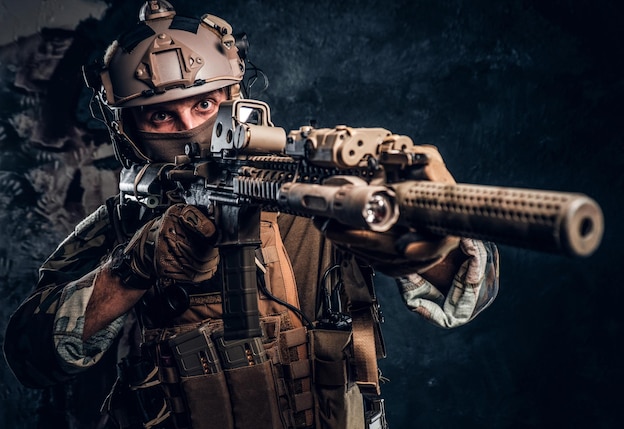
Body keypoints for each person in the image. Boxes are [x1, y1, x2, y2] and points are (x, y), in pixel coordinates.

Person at [3, 1, 499, 428]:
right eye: (161, 116)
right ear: (127, 130)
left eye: (205, 104)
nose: (191, 129)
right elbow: (31, 357)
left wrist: (424, 249)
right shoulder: (123, 225)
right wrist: (134, 266)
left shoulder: (309, 189)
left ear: (234, 100)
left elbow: (468, 294)